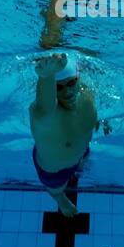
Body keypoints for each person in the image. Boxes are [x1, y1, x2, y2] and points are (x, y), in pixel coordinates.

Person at [30, 52, 96, 216]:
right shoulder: (47, 116)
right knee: (56, 191)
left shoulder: (86, 97)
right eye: (59, 87)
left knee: (83, 158)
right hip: (54, 172)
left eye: (71, 83)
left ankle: (80, 163)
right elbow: (45, 107)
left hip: (80, 150)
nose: (67, 92)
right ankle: (60, 199)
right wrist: (46, 76)